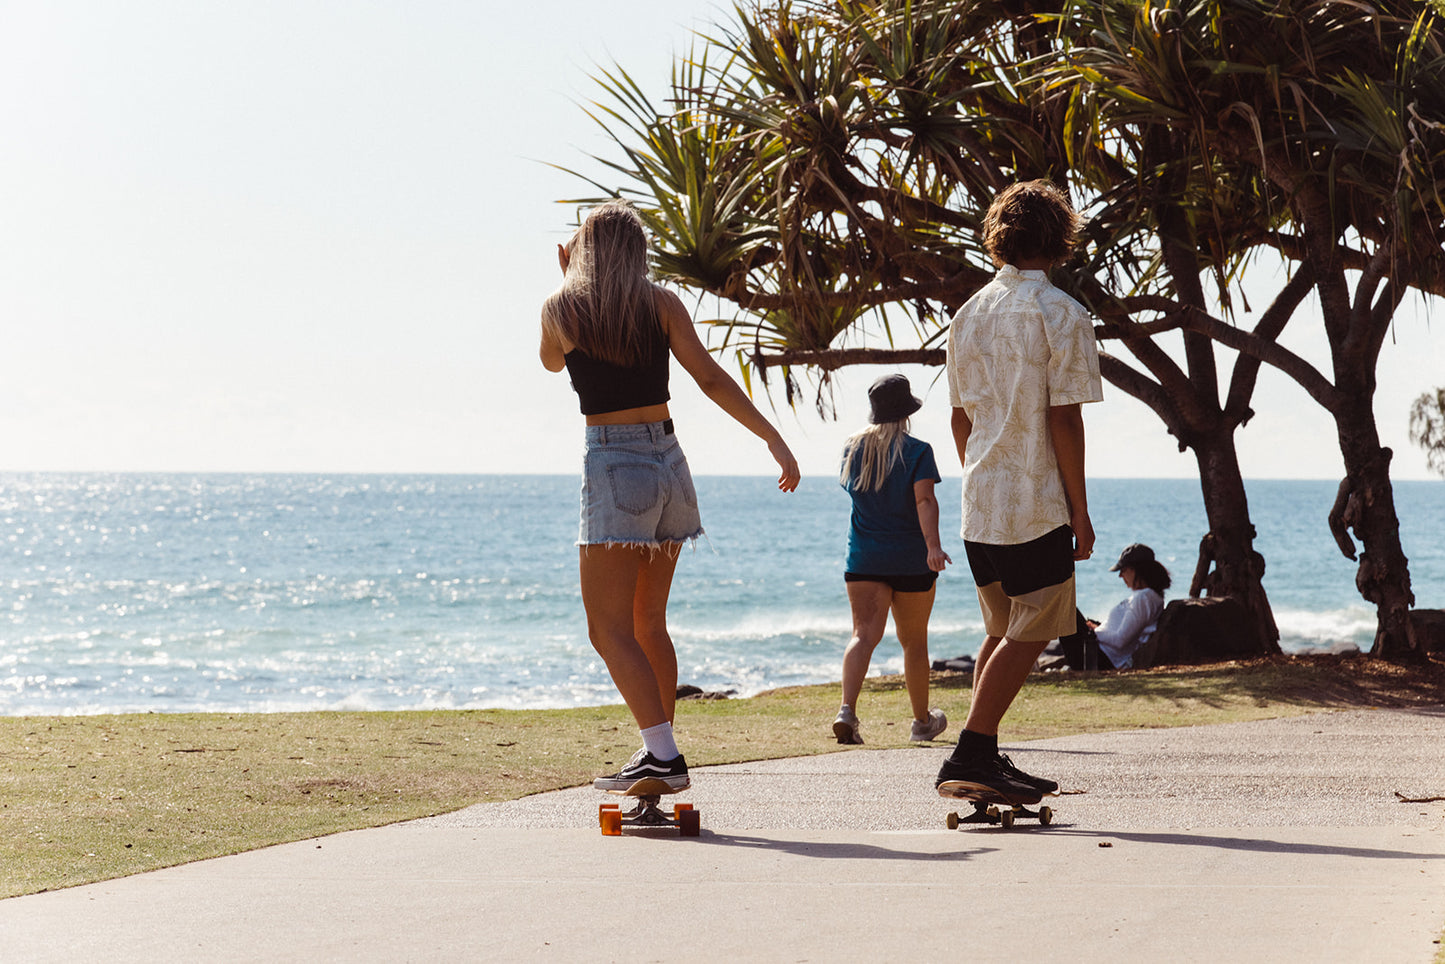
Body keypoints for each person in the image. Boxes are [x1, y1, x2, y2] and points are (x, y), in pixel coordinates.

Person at [539, 199, 801, 792]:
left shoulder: (562, 308)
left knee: (607, 630)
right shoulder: (661, 304)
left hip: (614, 462)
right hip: (671, 463)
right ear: (636, 251)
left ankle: (662, 753)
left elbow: (552, 364)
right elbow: (709, 378)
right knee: (648, 621)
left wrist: (565, 282)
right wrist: (774, 441)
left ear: (582, 251)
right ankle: (658, 748)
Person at [935, 179, 1104, 803]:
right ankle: (973, 753)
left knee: (1003, 627)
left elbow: (959, 417)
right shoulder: (1063, 314)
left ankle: (986, 758)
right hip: (1036, 502)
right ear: (1061, 239)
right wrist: (1080, 513)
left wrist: (982, 475)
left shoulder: (969, 312)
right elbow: (1065, 418)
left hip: (981, 500)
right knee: (1033, 630)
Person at [833, 374, 952, 746]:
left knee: (863, 636)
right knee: (913, 642)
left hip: (864, 558)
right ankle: (921, 723)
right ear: (906, 412)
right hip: (911, 559)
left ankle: (847, 713)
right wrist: (933, 546)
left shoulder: (852, 449)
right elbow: (924, 501)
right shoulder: (917, 451)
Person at [1056, 544, 1171, 671]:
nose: (1120, 576)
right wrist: (1098, 628)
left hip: (1099, 658)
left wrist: (1094, 632)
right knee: (1060, 604)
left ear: (1135, 570)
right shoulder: (1149, 597)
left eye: (1123, 570)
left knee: (1060, 604)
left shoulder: (1143, 599)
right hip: (1099, 653)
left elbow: (1120, 640)